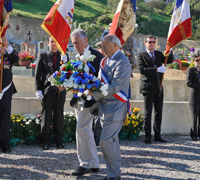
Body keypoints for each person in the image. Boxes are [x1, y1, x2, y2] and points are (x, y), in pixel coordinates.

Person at [88, 34, 131, 180]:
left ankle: (113, 175)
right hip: (104, 107)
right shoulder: (106, 60)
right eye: (101, 46)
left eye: (105, 46)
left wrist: (92, 92)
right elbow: (101, 82)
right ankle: (113, 173)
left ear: (115, 46)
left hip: (116, 108)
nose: (102, 49)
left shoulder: (123, 62)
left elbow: (115, 87)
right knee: (112, 142)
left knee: (105, 141)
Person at [70, 29, 104, 177]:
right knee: (86, 131)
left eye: (77, 42)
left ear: (85, 40)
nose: (75, 46)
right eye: (73, 44)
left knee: (81, 129)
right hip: (78, 99)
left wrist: (89, 90)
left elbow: (101, 80)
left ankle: (84, 163)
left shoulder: (97, 57)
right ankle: (94, 163)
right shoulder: (75, 57)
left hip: (90, 100)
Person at [137, 35, 174, 144]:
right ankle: (148, 136)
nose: (151, 44)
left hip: (158, 86)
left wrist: (170, 51)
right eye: (149, 42)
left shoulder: (158, 54)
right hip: (147, 88)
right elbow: (142, 69)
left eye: (153, 42)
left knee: (159, 112)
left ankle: (157, 135)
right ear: (145, 43)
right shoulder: (141, 55)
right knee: (148, 113)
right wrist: (156, 69)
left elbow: (169, 60)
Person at [35, 37, 69, 150]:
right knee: (46, 116)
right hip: (47, 90)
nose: (54, 44)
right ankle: (45, 140)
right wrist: (38, 89)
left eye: (56, 41)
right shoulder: (43, 56)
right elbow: (37, 74)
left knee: (59, 116)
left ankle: (58, 139)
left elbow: (68, 73)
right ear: (48, 43)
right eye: (52, 41)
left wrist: (66, 61)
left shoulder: (64, 56)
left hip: (60, 90)